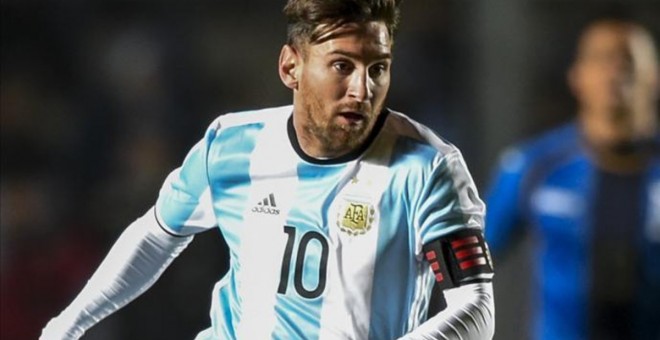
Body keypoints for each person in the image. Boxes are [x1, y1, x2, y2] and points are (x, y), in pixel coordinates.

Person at [40, 1, 495, 339]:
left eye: (378, 68)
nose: (362, 88)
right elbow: (157, 233)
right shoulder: (233, 144)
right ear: (290, 67)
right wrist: (67, 325)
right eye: (342, 66)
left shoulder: (429, 169)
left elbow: (475, 307)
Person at [485, 18, 660, 340]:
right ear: (577, 77)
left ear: (654, 76)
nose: (615, 71)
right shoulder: (534, 165)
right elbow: (467, 260)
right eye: (601, 59)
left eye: (627, 59)